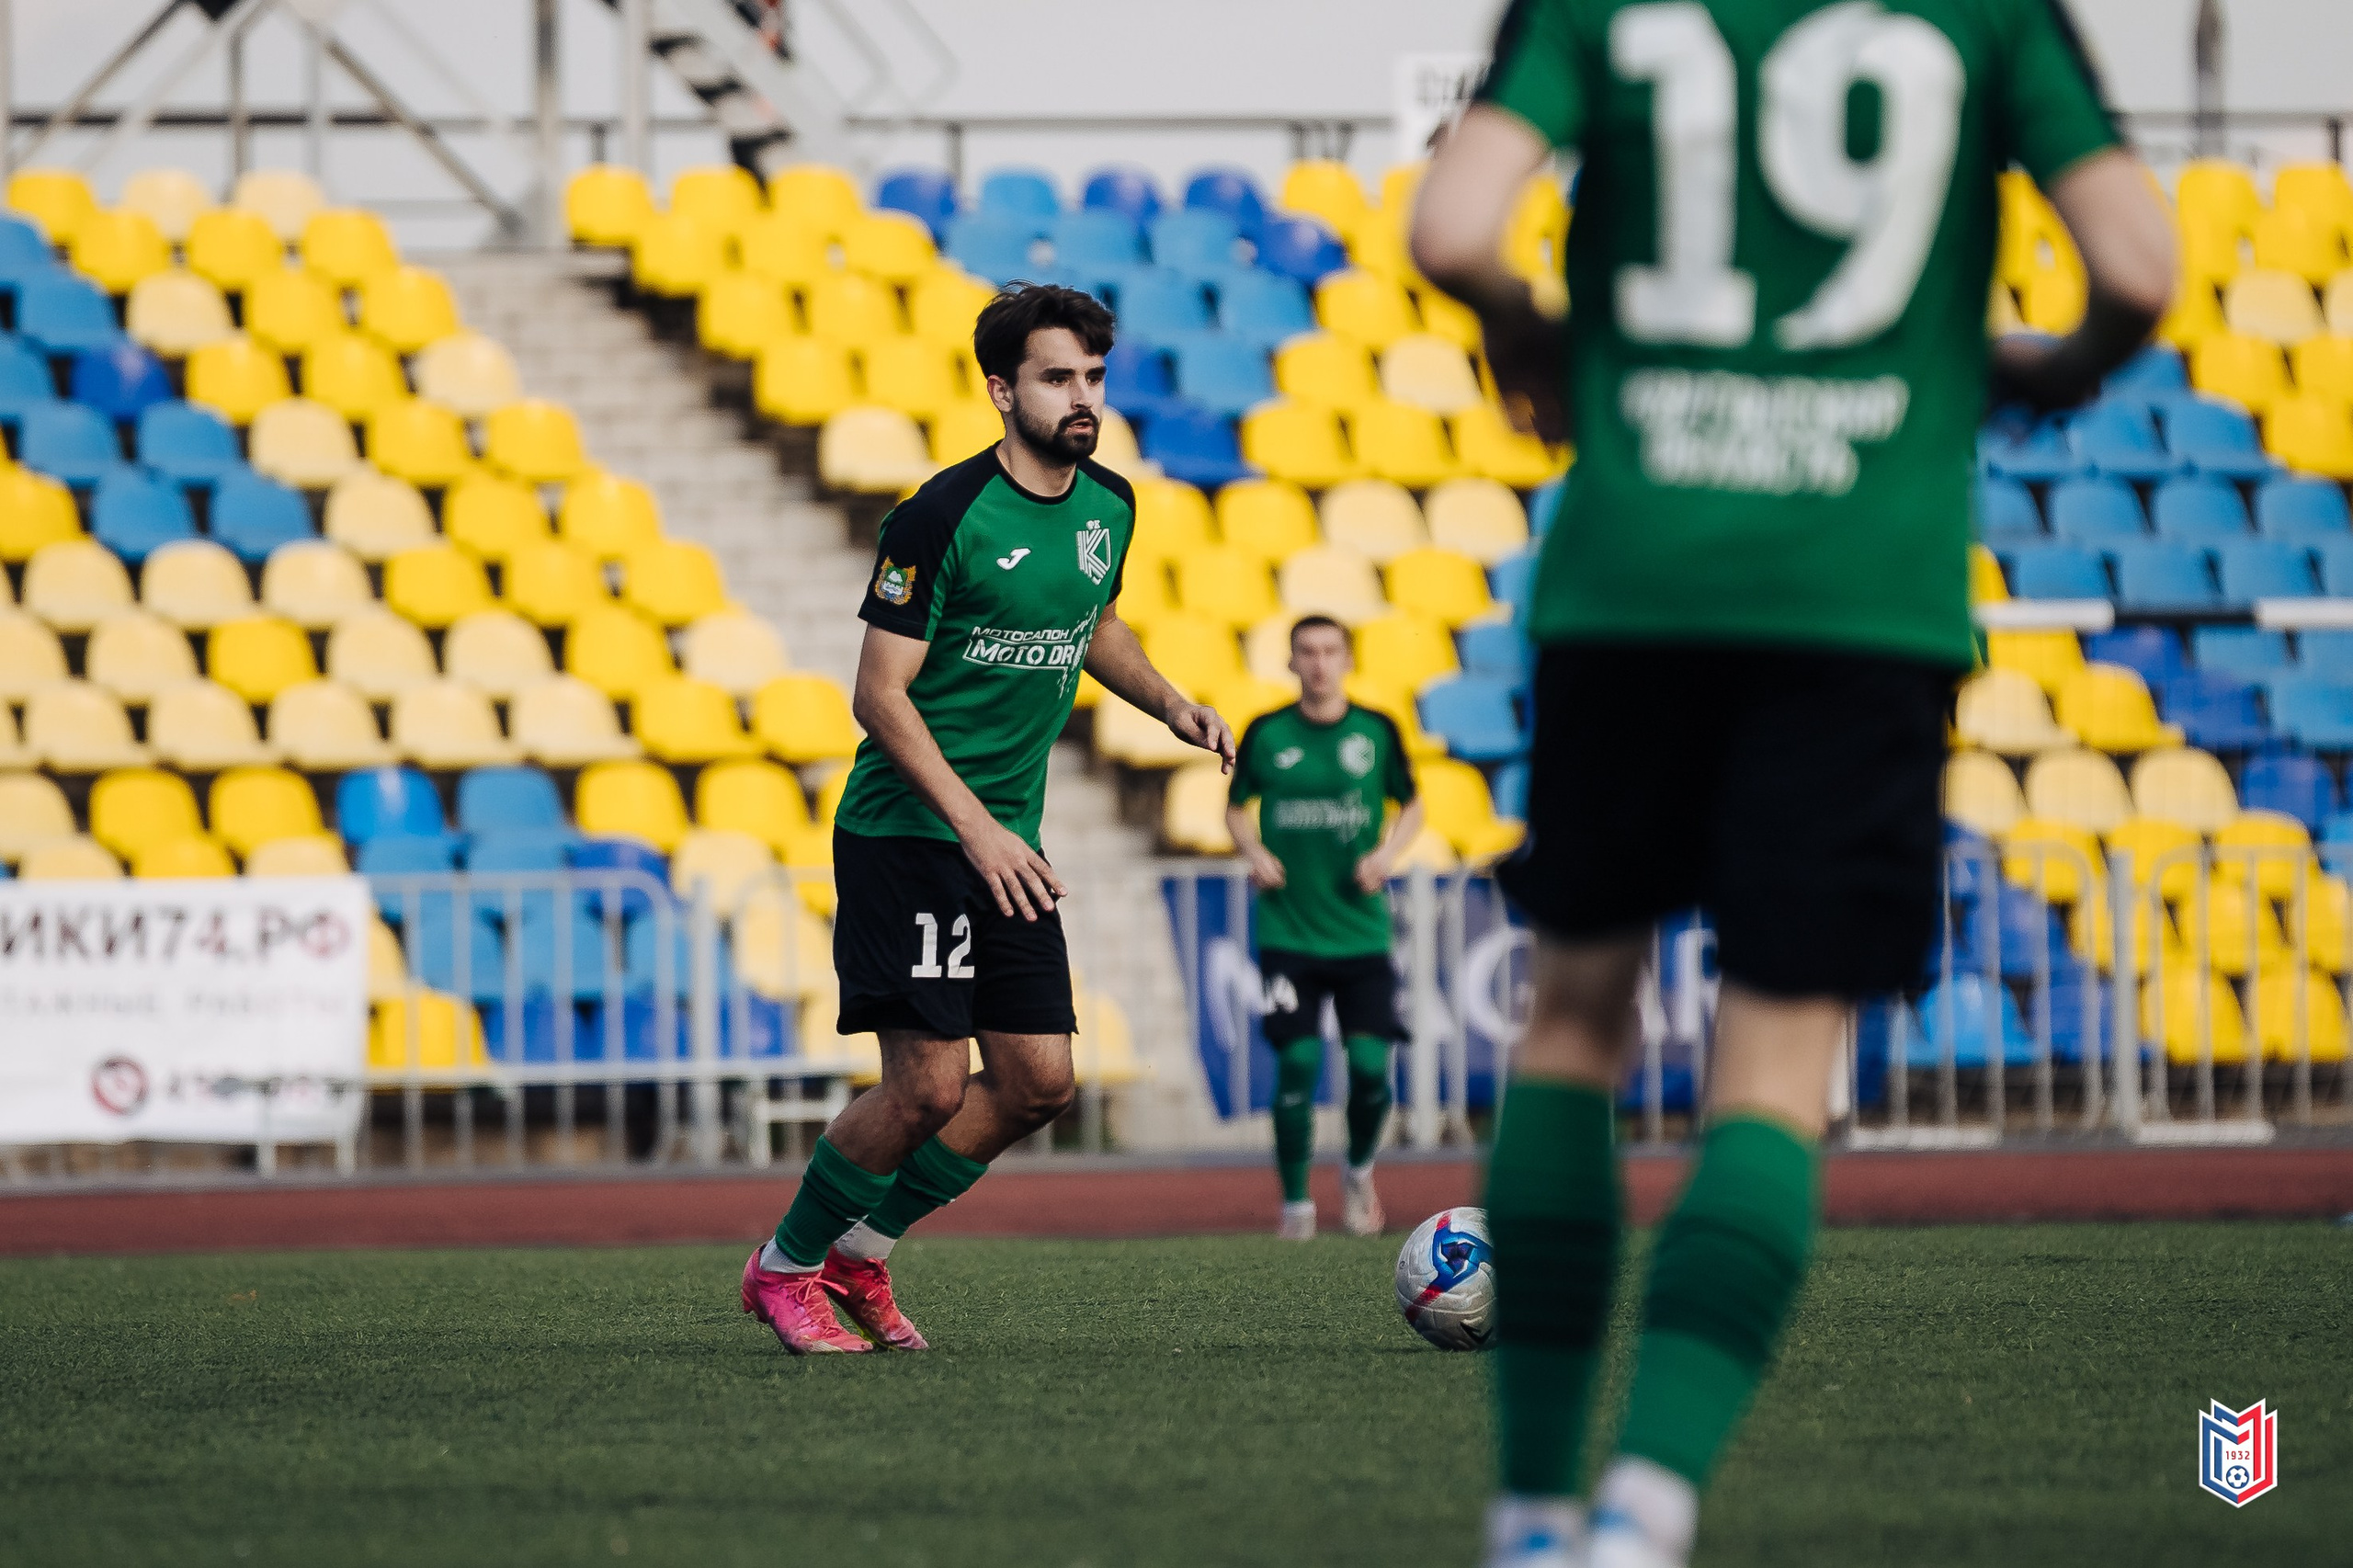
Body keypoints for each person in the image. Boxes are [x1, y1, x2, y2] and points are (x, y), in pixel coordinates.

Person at [1410, 1, 2175, 1562]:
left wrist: (1548, 337)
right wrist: (2034, 365)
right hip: (1859, 599)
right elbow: (2141, 271)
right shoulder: (1990, 15)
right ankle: (1648, 1509)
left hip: (1637, 574)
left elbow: (1454, 225)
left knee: (1572, 1023)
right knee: (1773, 1072)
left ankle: (1531, 1511)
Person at [741, 283, 1237, 1355]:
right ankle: (783, 1268)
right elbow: (879, 695)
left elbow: (1090, 623)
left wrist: (1171, 703)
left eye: (1094, 377)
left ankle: (859, 1255)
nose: (1082, 397)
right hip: (913, 833)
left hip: (1005, 840)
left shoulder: (1110, 504)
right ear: (1001, 388)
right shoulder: (939, 515)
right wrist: (976, 826)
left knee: (1039, 1083)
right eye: (1058, 377)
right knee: (924, 1086)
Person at [1225, 615, 1425, 1241]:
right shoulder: (1266, 733)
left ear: (1347, 660)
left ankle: (1359, 1169)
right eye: (1306, 651)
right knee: (1298, 1062)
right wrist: (1252, 853)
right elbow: (1234, 808)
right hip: (1288, 931)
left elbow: (1413, 801)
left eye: (1329, 651)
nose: (1318, 662)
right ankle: (1296, 1207)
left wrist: (1388, 855)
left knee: (1370, 1068)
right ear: (1290, 662)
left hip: (1361, 932)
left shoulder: (1376, 731)